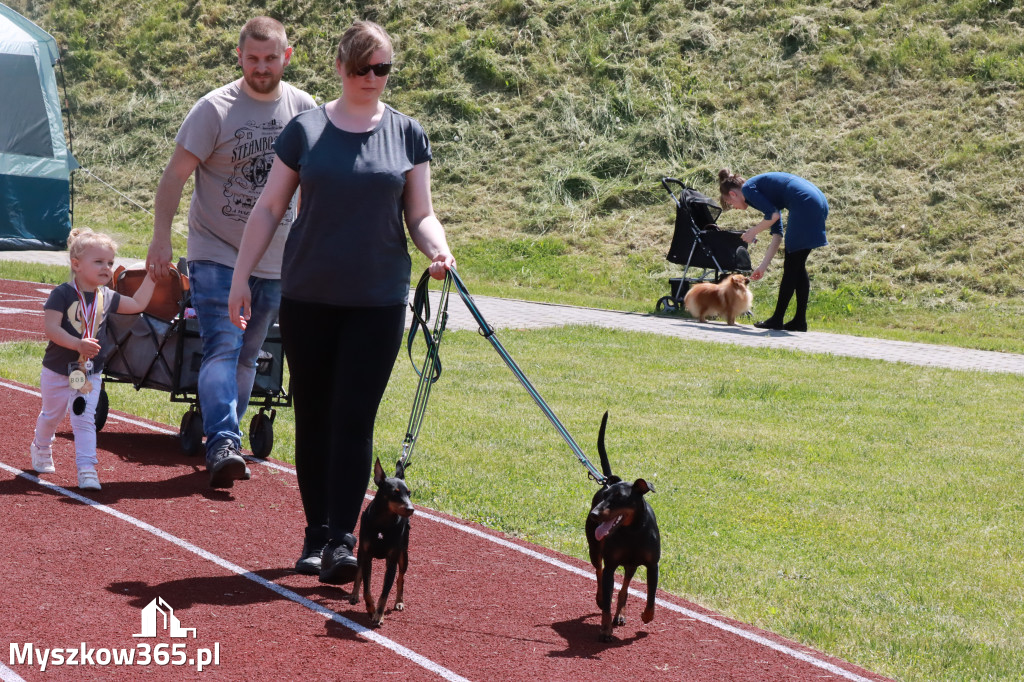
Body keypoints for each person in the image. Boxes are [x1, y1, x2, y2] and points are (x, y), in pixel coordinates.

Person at [227, 20, 456, 581]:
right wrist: (240, 277)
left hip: (377, 301)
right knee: (315, 418)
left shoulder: (408, 133)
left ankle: (341, 539)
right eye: (362, 68)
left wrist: (439, 250)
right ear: (340, 67)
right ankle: (313, 533)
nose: (372, 79)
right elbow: (268, 208)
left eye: (382, 69)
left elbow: (420, 213)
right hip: (309, 296)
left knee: (355, 420)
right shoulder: (305, 130)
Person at [146, 17, 316, 488]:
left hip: (277, 258)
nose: (262, 67)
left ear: (287, 55)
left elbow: (315, 181)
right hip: (217, 250)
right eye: (253, 58)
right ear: (239, 56)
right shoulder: (213, 109)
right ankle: (223, 439)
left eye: (271, 58)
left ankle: (228, 436)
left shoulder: (304, 109)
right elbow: (175, 175)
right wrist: (162, 237)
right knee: (225, 342)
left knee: (250, 354)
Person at [31, 228, 157, 490]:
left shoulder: (107, 296)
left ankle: (87, 468)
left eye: (110, 263)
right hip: (57, 370)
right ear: (76, 265)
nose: (106, 268)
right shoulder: (62, 294)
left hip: (88, 372)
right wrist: (77, 343)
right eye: (98, 262)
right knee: (52, 415)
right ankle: (41, 446)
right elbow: (52, 329)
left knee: (84, 417)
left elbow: (136, 305)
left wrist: (153, 278)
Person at [718, 169, 829, 332]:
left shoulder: (749, 189)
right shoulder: (759, 194)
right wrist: (763, 267)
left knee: (792, 266)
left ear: (733, 194)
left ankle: (777, 319)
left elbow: (774, 216)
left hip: (805, 204)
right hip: (817, 201)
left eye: (730, 204)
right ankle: (799, 321)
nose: (733, 208)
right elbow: (777, 234)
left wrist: (753, 231)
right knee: (797, 265)